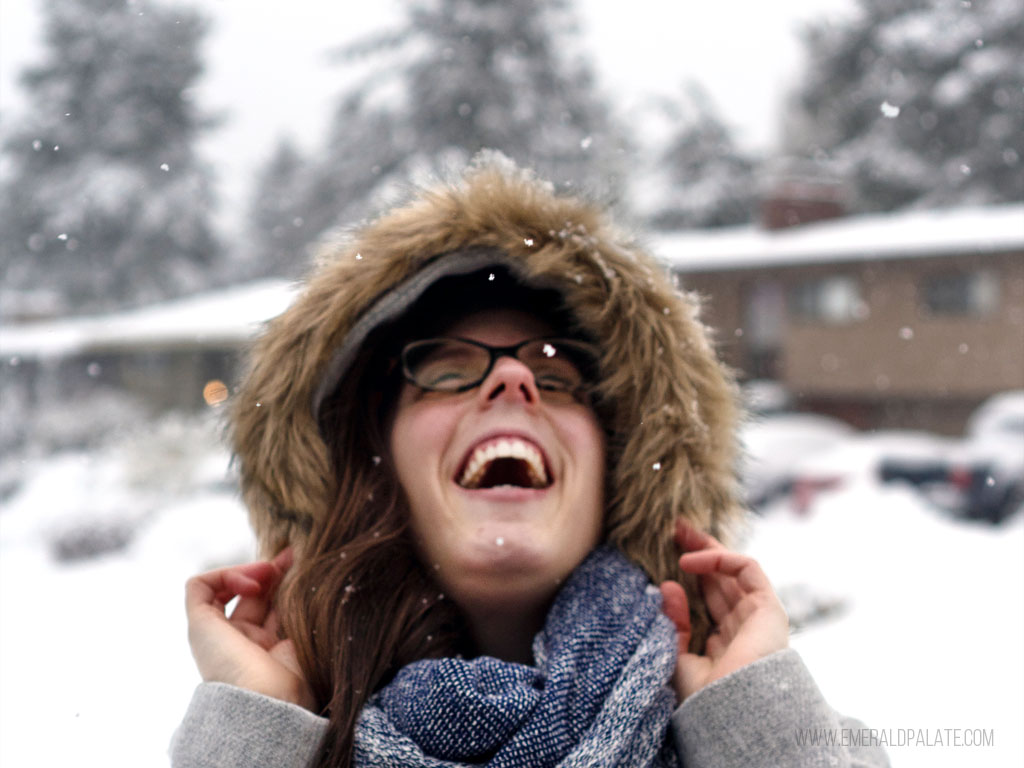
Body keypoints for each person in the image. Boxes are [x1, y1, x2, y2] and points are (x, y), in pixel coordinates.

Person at [171, 156, 889, 767]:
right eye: (448, 369)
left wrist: (754, 733)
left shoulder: (770, 736)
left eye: (555, 375)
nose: (511, 382)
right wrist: (255, 735)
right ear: (374, 460)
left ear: (622, 472)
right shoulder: (272, 736)